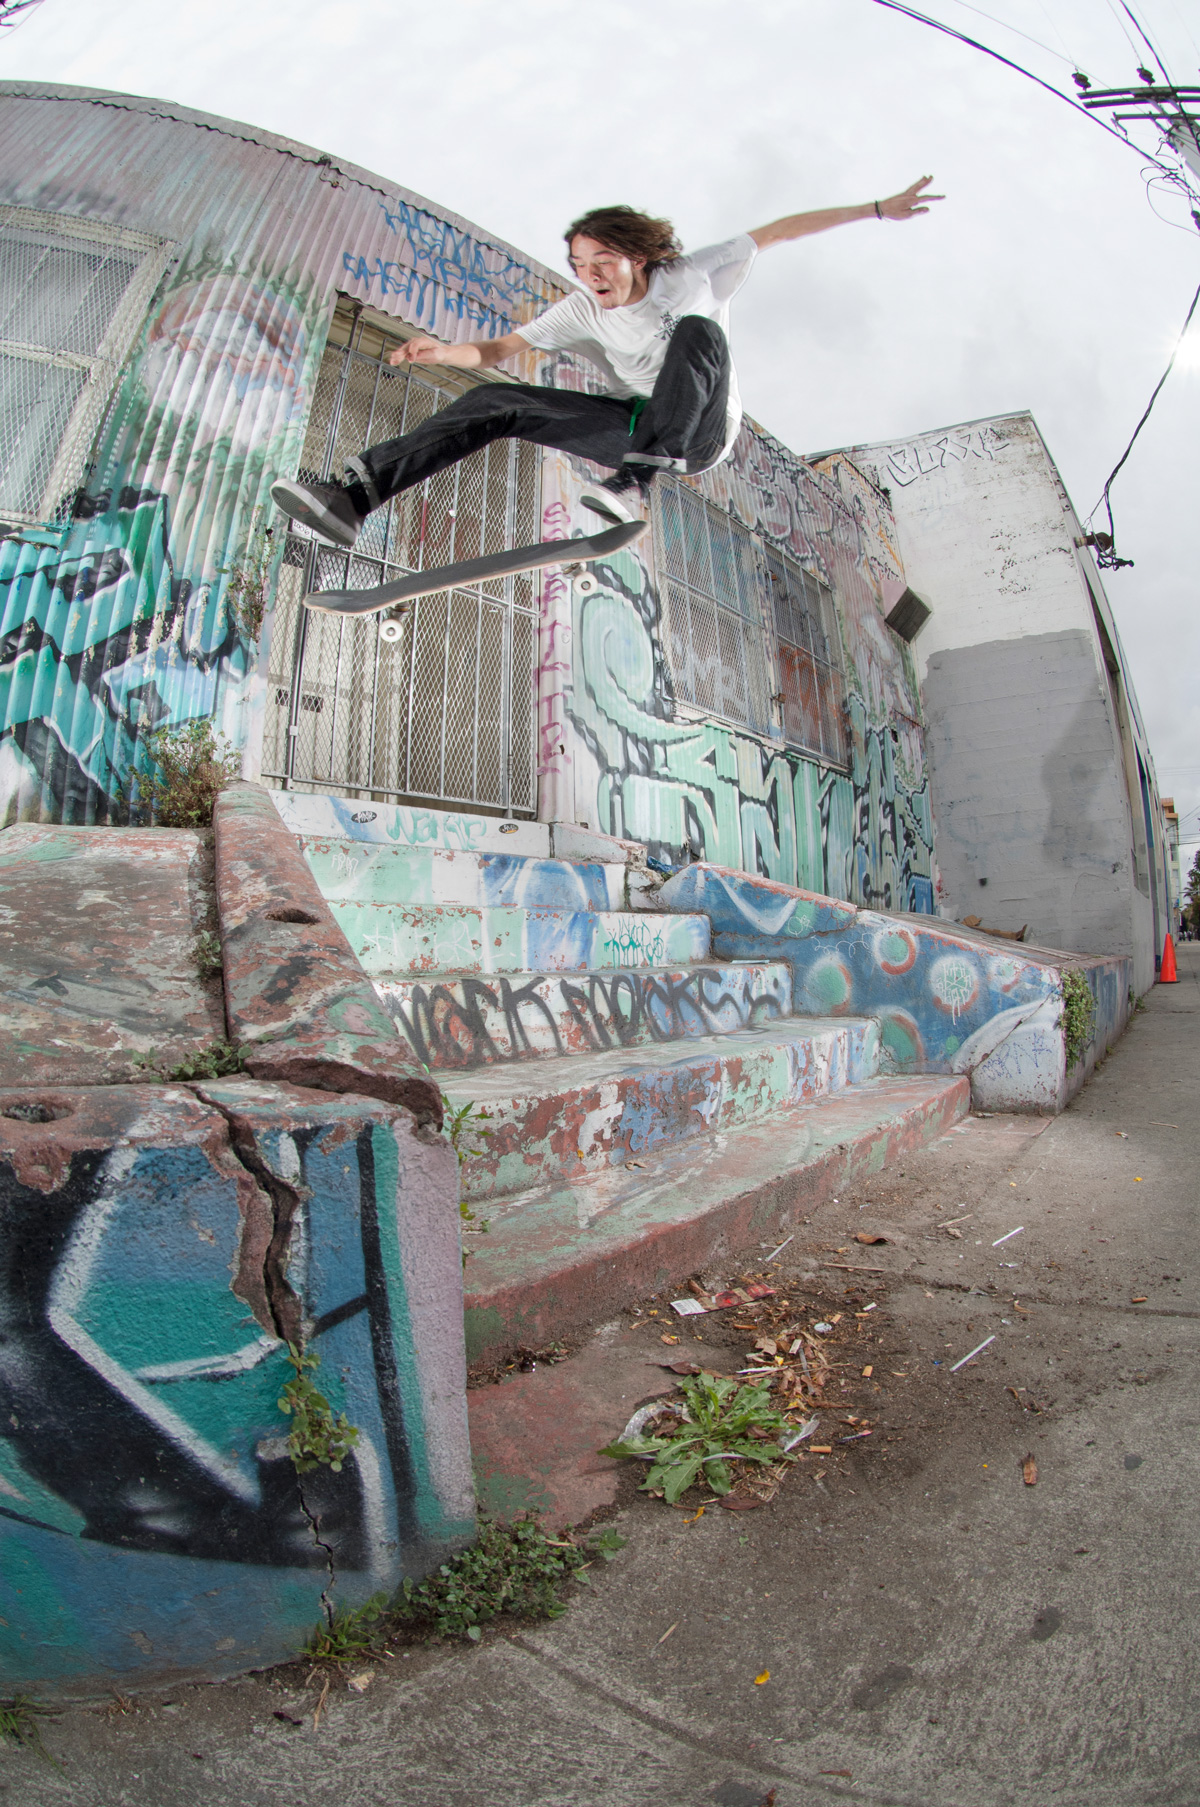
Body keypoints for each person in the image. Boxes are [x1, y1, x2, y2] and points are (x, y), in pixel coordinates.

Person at [271, 177, 943, 549]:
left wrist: (877, 209)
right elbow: (503, 351)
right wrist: (445, 351)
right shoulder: (578, 310)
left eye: (602, 264)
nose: (591, 278)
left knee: (701, 338)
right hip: (631, 428)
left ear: (637, 256)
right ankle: (354, 498)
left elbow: (779, 231)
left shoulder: (694, 274)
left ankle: (634, 486)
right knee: (497, 401)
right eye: (579, 267)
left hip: (701, 433)